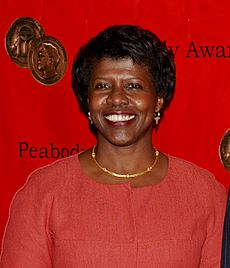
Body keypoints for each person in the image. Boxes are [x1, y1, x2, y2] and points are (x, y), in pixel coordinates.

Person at [0, 25, 226, 267]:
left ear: (158, 100)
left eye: (133, 86)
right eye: (102, 86)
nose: (117, 98)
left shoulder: (205, 194)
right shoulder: (43, 192)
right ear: (88, 101)